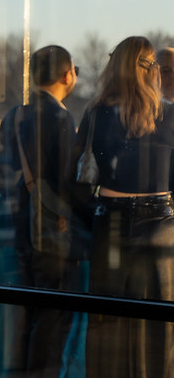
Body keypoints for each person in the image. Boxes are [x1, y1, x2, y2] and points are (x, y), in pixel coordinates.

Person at [72, 36, 174, 378]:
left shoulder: (97, 113)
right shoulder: (169, 114)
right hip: (159, 225)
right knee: (158, 324)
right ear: (152, 71)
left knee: (107, 320)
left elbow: (78, 179)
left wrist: (96, 215)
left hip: (109, 225)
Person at [0, 45, 90, 377]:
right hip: (54, 240)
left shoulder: (13, 116)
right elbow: (70, 184)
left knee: (23, 326)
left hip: (19, 233)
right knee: (51, 330)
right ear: (68, 75)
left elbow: (2, 177)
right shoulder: (61, 118)